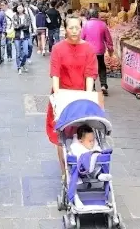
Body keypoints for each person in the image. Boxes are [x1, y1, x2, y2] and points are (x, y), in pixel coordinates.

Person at [45, 15, 99, 180]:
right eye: (71, 28)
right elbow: (55, 74)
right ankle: (64, 172)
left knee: (80, 132)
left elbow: (90, 74)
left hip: (80, 96)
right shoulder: (58, 48)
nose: (74, 31)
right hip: (62, 95)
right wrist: (58, 98)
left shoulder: (88, 49)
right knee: (61, 136)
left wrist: (88, 96)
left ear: (81, 28)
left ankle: (82, 165)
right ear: (65, 29)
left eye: (77, 27)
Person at [81, 7, 114, 96]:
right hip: (100, 50)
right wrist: (110, 49)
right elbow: (108, 39)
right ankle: (103, 85)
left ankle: (92, 87)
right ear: (97, 15)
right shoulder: (103, 24)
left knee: (90, 68)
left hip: (88, 51)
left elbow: (81, 38)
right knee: (101, 67)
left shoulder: (85, 25)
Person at [13, 4, 32, 74]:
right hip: (17, 37)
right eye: (18, 8)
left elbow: (27, 25)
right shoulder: (14, 16)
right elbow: (15, 26)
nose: (19, 9)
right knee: (18, 53)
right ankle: (19, 67)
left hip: (25, 36)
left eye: (21, 7)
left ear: (23, 8)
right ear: (16, 9)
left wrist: (20, 26)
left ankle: (22, 64)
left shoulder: (27, 16)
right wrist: (22, 25)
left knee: (26, 52)